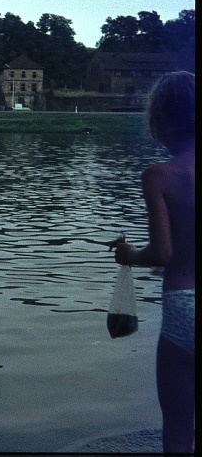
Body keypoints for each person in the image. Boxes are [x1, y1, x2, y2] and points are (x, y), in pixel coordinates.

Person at [113, 71, 194, 454]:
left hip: (184, 305)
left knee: (178, 428)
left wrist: (128, 255)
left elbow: (163, 254)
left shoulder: (159, 176)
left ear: (160, 122)